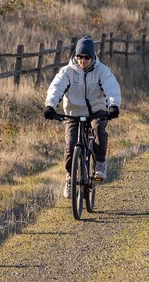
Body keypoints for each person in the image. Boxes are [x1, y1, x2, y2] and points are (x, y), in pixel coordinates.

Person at [43, 36, 121, 198]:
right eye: (79, 57)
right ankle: (70, 177)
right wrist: (50, 106)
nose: (83, 61)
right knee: (71, 145)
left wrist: (113, 106)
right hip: (73, 113)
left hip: (97, 111)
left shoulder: (102, 71)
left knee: (98, 128)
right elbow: (56, 88)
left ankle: (100, 163)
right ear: (75, 56)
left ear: (92, 57)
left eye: (86, 57)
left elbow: (111, 87)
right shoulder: (67, 71)